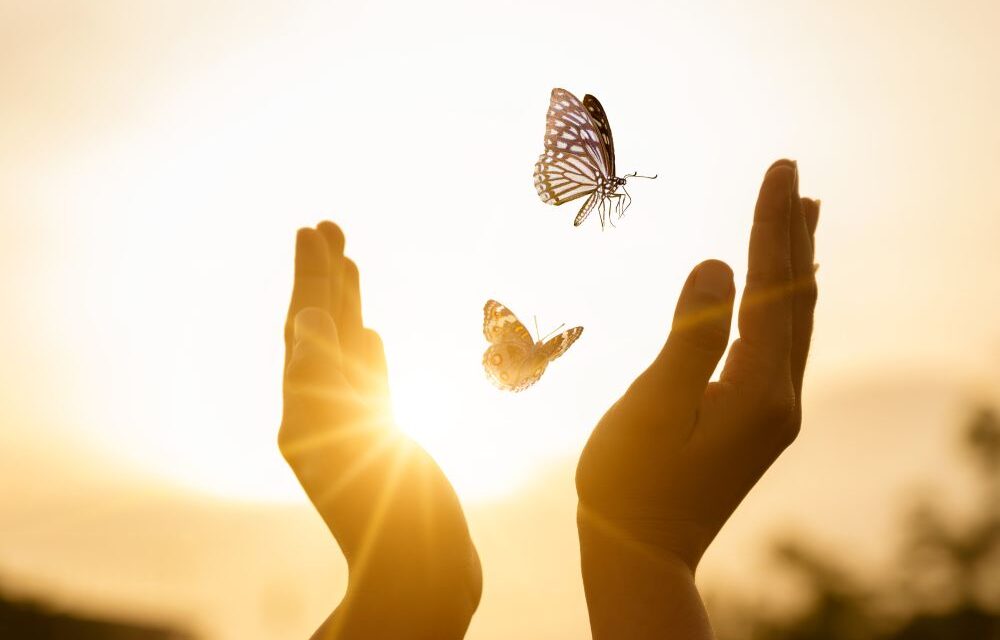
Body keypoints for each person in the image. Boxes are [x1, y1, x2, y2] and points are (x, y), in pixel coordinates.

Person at [278, 159, 819, 639]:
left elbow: (416, 584)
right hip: (519, 368)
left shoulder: (541, 344)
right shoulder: (533, 342)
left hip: (518, 368)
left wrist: (410, 585)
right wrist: (647, 553)